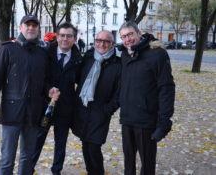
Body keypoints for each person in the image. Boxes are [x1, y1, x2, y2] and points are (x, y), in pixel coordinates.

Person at [0, 14, 60, 175]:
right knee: (7, 159)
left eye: (34, 25)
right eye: (27, 25)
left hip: (34, 114)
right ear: (20, 28)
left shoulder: (42, 54)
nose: (31, 28)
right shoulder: (7, 49)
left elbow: (44, 80)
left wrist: (49, 90)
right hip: (12, 113)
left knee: (27, 157)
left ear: (38, 29)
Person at [118, 21, 175, 175]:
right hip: (127, 118)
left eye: (130, 34)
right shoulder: (124, 54)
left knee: (147, 163)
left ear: (139, 33)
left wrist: (164, 120)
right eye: (124, 36)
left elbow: (166, 88)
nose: (127, 39)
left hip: (146, 119)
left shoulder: (157, 54)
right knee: (128, 160)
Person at [31, 22, 83, 175]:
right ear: (57, 36)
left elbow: (81, 83)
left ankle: (56, 171)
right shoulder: (45, 54)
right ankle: (29, 167)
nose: (65, 39)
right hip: (44, 106)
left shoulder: (79, 60)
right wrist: (48, 90)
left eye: (69, 36)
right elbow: (39, 78)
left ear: (75, 38)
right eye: (62, 35)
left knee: (61, 143)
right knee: (37, 140)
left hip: (66, 107)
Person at [72, 30, 121, 175]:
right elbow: (78, 79)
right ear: (95, 41)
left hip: (100, 112)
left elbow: (119, 93)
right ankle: (90, 172)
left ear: (112, 44)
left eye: (106, 41)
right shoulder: (88, 58)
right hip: (83, 109)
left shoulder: (118, 64)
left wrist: (107, 110)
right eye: (99, 40)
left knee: (94, 147)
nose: (102, 44)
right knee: (85, 145)